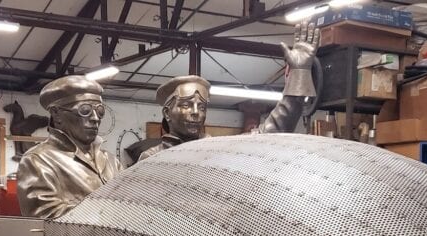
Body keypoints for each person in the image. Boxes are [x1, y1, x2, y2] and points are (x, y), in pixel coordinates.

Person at [139, 23, 320, 162]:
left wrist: (300, 73)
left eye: (201, 107)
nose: (196, 113)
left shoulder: (217, 150)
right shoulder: (151, 159)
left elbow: (272, 132)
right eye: (186, 105)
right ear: (167, 113)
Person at [17, 75, 123, 218]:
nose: (95, 118)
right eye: (85, 110)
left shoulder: (111, 161)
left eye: (100, 111)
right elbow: (46, 216)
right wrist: (114, 211)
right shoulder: (37, 160)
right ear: (56, 114)